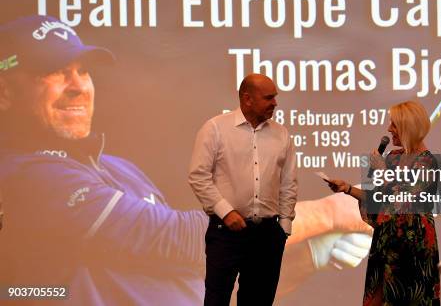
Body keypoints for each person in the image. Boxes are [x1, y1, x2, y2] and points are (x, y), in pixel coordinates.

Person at [0, 15, 371, 305]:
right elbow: (187, 241)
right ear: (5, 92)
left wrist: (311, 256)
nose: (78, 85)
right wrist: (328, 213)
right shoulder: (23, 176)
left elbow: (200, 283)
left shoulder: (119, 170)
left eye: (82, 71)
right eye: (52, 72)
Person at [188, 73, 299, 306]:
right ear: (247, 99)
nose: (275, 103)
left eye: (275, 97)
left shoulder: (282, 133)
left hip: (268, 234)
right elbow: (198, 176)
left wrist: (284, 226)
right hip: (226, 232)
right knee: (217, 299)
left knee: (259, 301)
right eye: (269, 98)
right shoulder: (216, 128)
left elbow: (289, 182)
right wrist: (225, 212)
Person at [326, 100, 441, 306]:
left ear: (408, 127)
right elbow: (380, 200)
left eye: (394, 124)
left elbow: (402, 201)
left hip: (411, 248)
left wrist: (382, 171)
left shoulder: (427, 162)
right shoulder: (393, 157)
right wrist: (349, 189)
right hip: (385, 244)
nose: (389, 129)